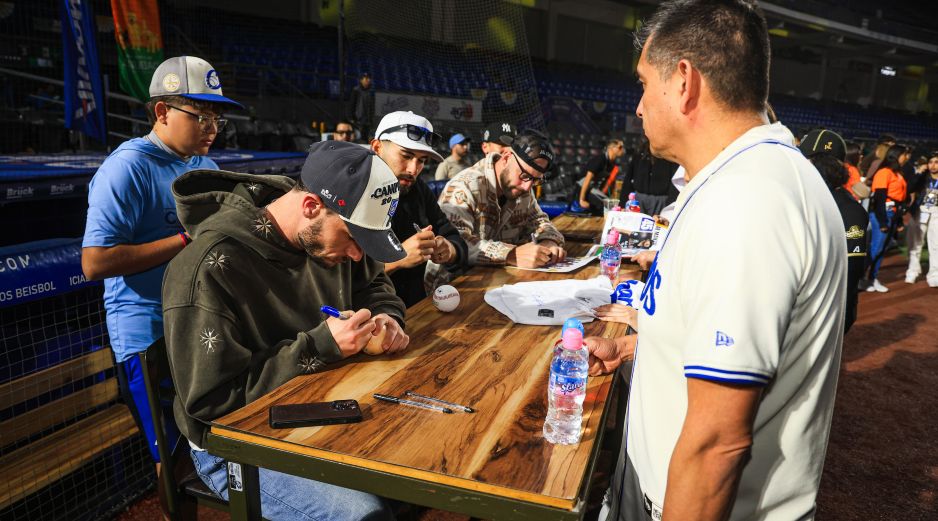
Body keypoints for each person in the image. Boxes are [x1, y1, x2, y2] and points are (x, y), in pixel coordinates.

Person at [585, 2, 846, 520]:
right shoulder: (744, 181)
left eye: (643, 83)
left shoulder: (746, 202)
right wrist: (639, 346)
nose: (638, 107)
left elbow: (716, 443)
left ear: (684, 81)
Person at [163, 141, 409, 521]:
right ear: (311, 206)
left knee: (428, 461)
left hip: (321, 411)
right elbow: (214, 405)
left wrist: (387, 317)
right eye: (355, 239)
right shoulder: (205, 270)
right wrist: (320, 345)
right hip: (235, 448)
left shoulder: (328, 232)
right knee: (364, 516)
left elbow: (375, 286)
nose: (359, 255)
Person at [81, 56, 242, 467]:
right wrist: (185, 239)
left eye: (216, 117)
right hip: (145, 335)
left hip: (197, 323)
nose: (211, 127)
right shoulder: (126, 167)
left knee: (215, 445)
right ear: (161, 111)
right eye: (200, 115)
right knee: (171, 463)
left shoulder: (206, 166)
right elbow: (94, 263)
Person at [430, 130, 566, 287]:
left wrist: (548, 240)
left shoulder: (523, 187)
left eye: (536, 180)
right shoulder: (464, 185)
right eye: (524, 175)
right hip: (452, 287)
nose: (527, 186)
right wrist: (510, 254)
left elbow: (539, 220)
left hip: (498, 282)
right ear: (507, 157)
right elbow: (455, 242)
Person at [370, 111, 468, 307]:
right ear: (377, 147)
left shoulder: (418, 188)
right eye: (406, 156)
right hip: (365, 318)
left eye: (422, 160)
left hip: (414, 308)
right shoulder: (350, 189)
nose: (413, 169)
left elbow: (455, 240)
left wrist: (448, 250)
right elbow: (336, 275)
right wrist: (398, 259)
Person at [800, 129, 868, 332]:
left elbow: (850, 272)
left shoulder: (849, 210)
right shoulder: (803, 196)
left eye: (807, 161)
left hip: (822, 314)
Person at [867, 144, 909, 293]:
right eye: (904, 154)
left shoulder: (897, 173)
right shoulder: (884, 172)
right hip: (882, 214)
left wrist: (898, 221)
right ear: (897, 155)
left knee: (882, 248)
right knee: (876, 247)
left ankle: (872, 277)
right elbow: (879, 198)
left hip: (892, 213)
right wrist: (883, 221)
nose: (906, 157)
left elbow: (899, 199)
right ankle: (859, 278)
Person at [619, 136, 680, 216]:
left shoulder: (669, 154)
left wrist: (670, 205)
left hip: (660, 201)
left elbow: (674, 183)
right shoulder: (639, 153)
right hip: (638, 200)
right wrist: (623, 203)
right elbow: (628, 179)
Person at [905, 150, 938, 286]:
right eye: (930, 162)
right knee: (915, 243)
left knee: (935, 245)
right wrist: (918, 173)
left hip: (936, 212)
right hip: (920, 211)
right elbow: (909, 188)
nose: (933, 165)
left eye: (936, 162)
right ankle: (912, 272)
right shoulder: (922, 177)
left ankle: (934, 275)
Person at [574, 138, 625, 215]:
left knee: (609, 203)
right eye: (620, 147)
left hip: (592, 188)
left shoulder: (611, 163)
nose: (622, 149)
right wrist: (581, 200)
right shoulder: (601, 159)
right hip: (582, 187)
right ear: (611, 148)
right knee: (608, 205)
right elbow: (587, 179)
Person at [347, 72, 375, 139]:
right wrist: (351, 118)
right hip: (357, 120)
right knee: (358, 138)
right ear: (361, 80)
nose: (367, 80)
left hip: (367, 121)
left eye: (368, 79)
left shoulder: (371, 92)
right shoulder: (356, 90)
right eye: (365, 79)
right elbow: (351, 104)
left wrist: (371, 119)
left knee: (365, 139)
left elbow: (372, 107)